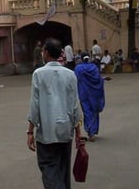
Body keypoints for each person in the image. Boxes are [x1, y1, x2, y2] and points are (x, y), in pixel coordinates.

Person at [27, 38, 82, 189]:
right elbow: (75, 106)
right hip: (65, 130)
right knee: (63, 170)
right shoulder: (70, 74)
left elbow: (35, 105)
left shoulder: (39, 74)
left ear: (45, 53)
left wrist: (30, 131)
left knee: (49, 169)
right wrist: (78, 132)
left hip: (47, 132)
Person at [74, 52, 105, 141]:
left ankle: (90, 132)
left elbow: (74, 79)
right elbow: (97, 79)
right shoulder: (94, 67)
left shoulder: (78, 68)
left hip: (83, 93)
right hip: (94, 93)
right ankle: (93, 131)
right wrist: (103, 79)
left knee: (87, 112)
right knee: (94, 111)